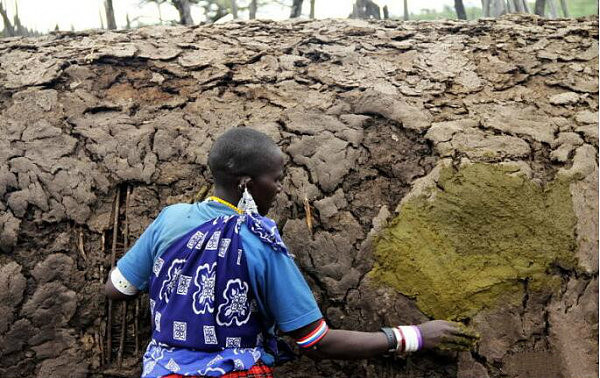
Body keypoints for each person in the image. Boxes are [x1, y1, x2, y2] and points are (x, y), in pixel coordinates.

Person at [105, 127, 473, 378]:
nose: (279, 189)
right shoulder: (260, 243)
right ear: (246, 183)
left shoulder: (170, 218)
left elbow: (117, 289)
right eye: (276, 179)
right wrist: (416, 336)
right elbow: (315, 341)